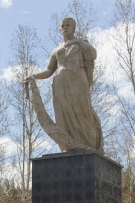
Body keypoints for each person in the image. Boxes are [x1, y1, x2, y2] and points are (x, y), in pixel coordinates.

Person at [26, 17, 103, 153]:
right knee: (64, 116)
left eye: (68, 25)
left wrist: (79, 42)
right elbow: (49, 70)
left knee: (84, 113)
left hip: (78, 81)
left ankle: (90, 146)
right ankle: (68, 146)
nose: (64, 27)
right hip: (60, 84)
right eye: (62, 25)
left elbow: (92, 54)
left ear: (74, 28)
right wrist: (34, 76)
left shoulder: (80, 44)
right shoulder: (57, 50)